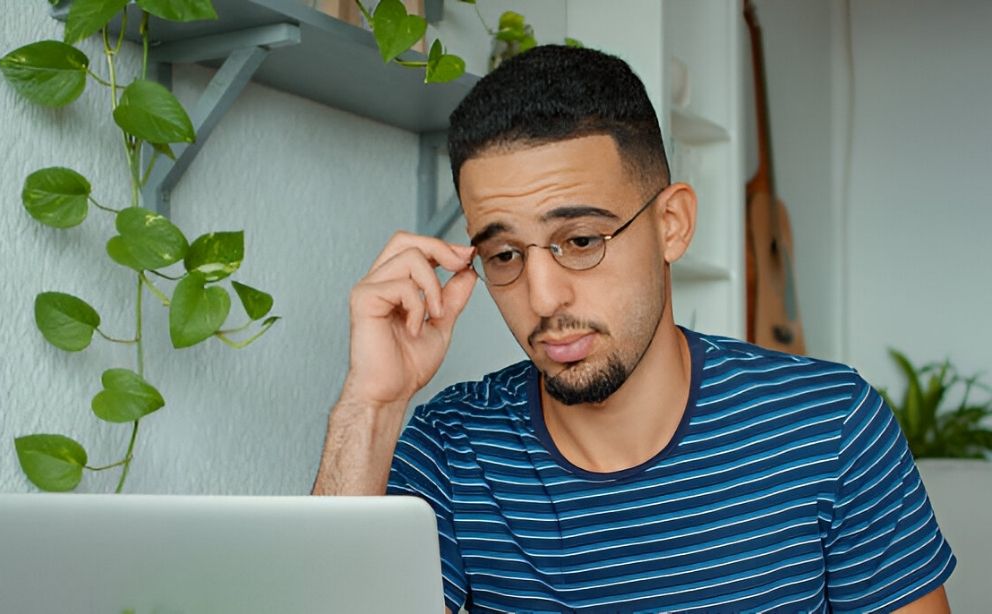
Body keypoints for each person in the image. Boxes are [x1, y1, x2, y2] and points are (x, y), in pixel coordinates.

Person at [312, 45, 954, 613]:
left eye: (581, 239)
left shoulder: (829, 427)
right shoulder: (452, 451)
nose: (543, 298)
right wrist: (372, 402)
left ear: (671, 224)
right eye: (505, 254)